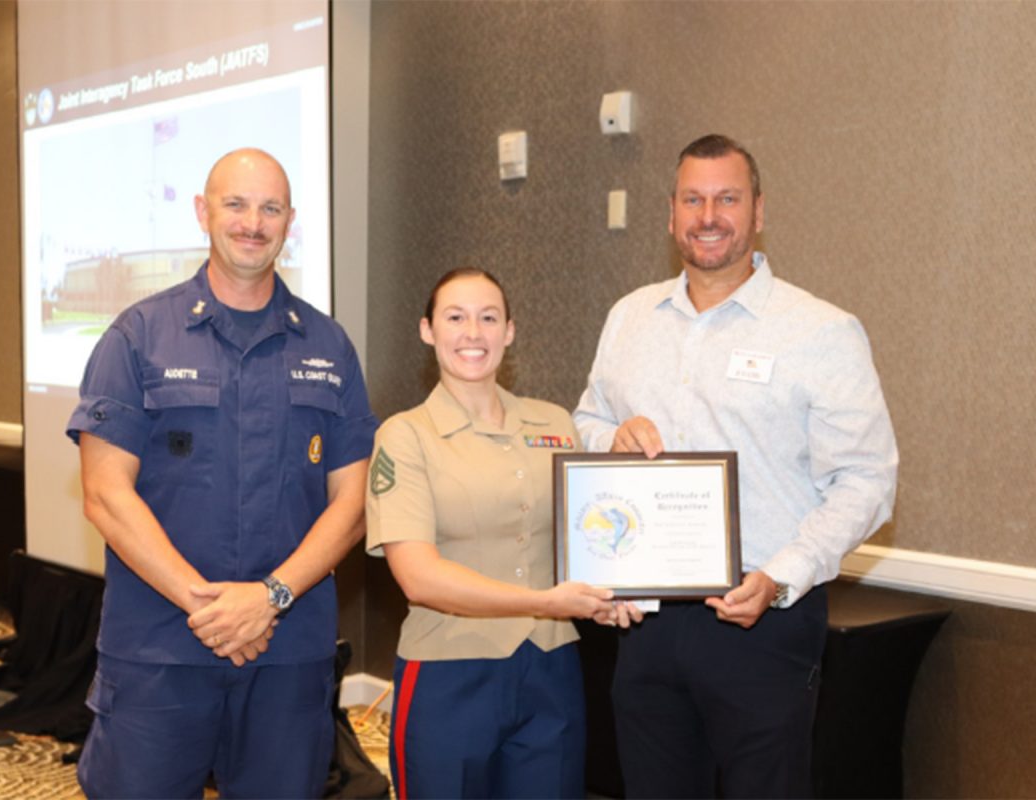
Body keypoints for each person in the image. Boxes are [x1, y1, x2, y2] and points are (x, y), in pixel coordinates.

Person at [573, 134, 898, 798]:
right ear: (670, 215)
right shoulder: (629, 319)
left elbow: (868, 479)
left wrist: (782, 575)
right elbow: (585, 420)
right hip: (645, 624)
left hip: (762, 620)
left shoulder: (822, 332)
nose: (709, 215)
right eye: (693, 199)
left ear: (758, 211)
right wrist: (612, 438)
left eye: (727, 198)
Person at [66, 148, 376, 799]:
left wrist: (268, 599)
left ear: (290, 221)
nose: (252, 222)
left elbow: (353, 501)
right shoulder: (138, 336)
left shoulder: (328, 346)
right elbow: (103, 492)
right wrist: (206, 606)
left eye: (270, 208)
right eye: (236, 204)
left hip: (287, 653)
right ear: (203, 212)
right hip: (160, 649)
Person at [366, 268, 628, 800]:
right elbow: (420, 578)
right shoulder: (405, 436)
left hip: (551, 669)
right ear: (427, 330)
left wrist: (611, 593)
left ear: (509, 331)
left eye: (489, 318)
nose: (473, 333)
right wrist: (545, 601)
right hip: (448, 673)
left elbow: (588, 539)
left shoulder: (555, 424)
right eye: (455, 318)